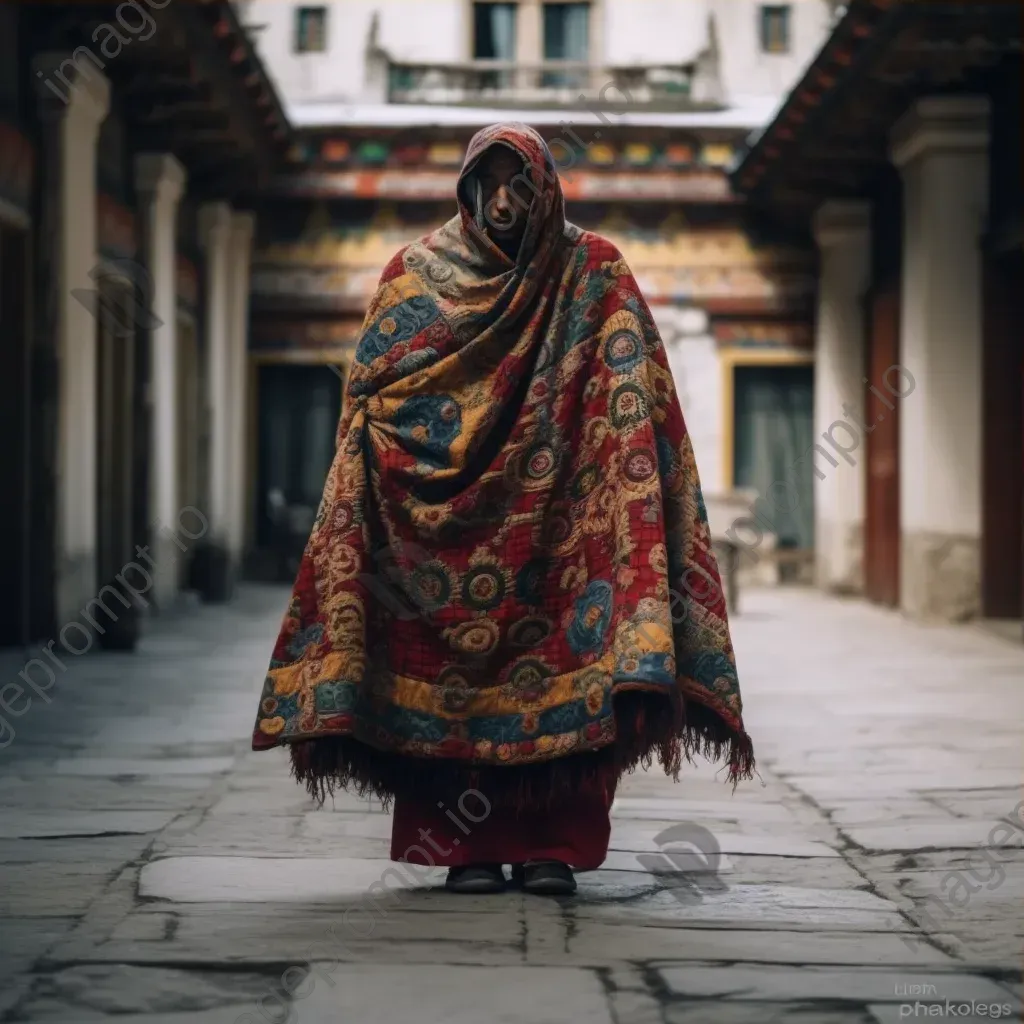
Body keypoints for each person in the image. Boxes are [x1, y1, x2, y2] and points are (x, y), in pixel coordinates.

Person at [251, 123, 754, 896]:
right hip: (436, 543)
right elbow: (373, 404)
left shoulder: (594, 272)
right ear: (467, 188)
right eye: (490, 182)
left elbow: (633, 396)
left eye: (522, 182)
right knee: (444, 678)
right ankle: (466, 852)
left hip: (564, 533)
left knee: (573, 666)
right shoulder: (413, 276)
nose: (507, 199)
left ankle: (553, 849)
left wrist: (611, 488)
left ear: (548, 188)